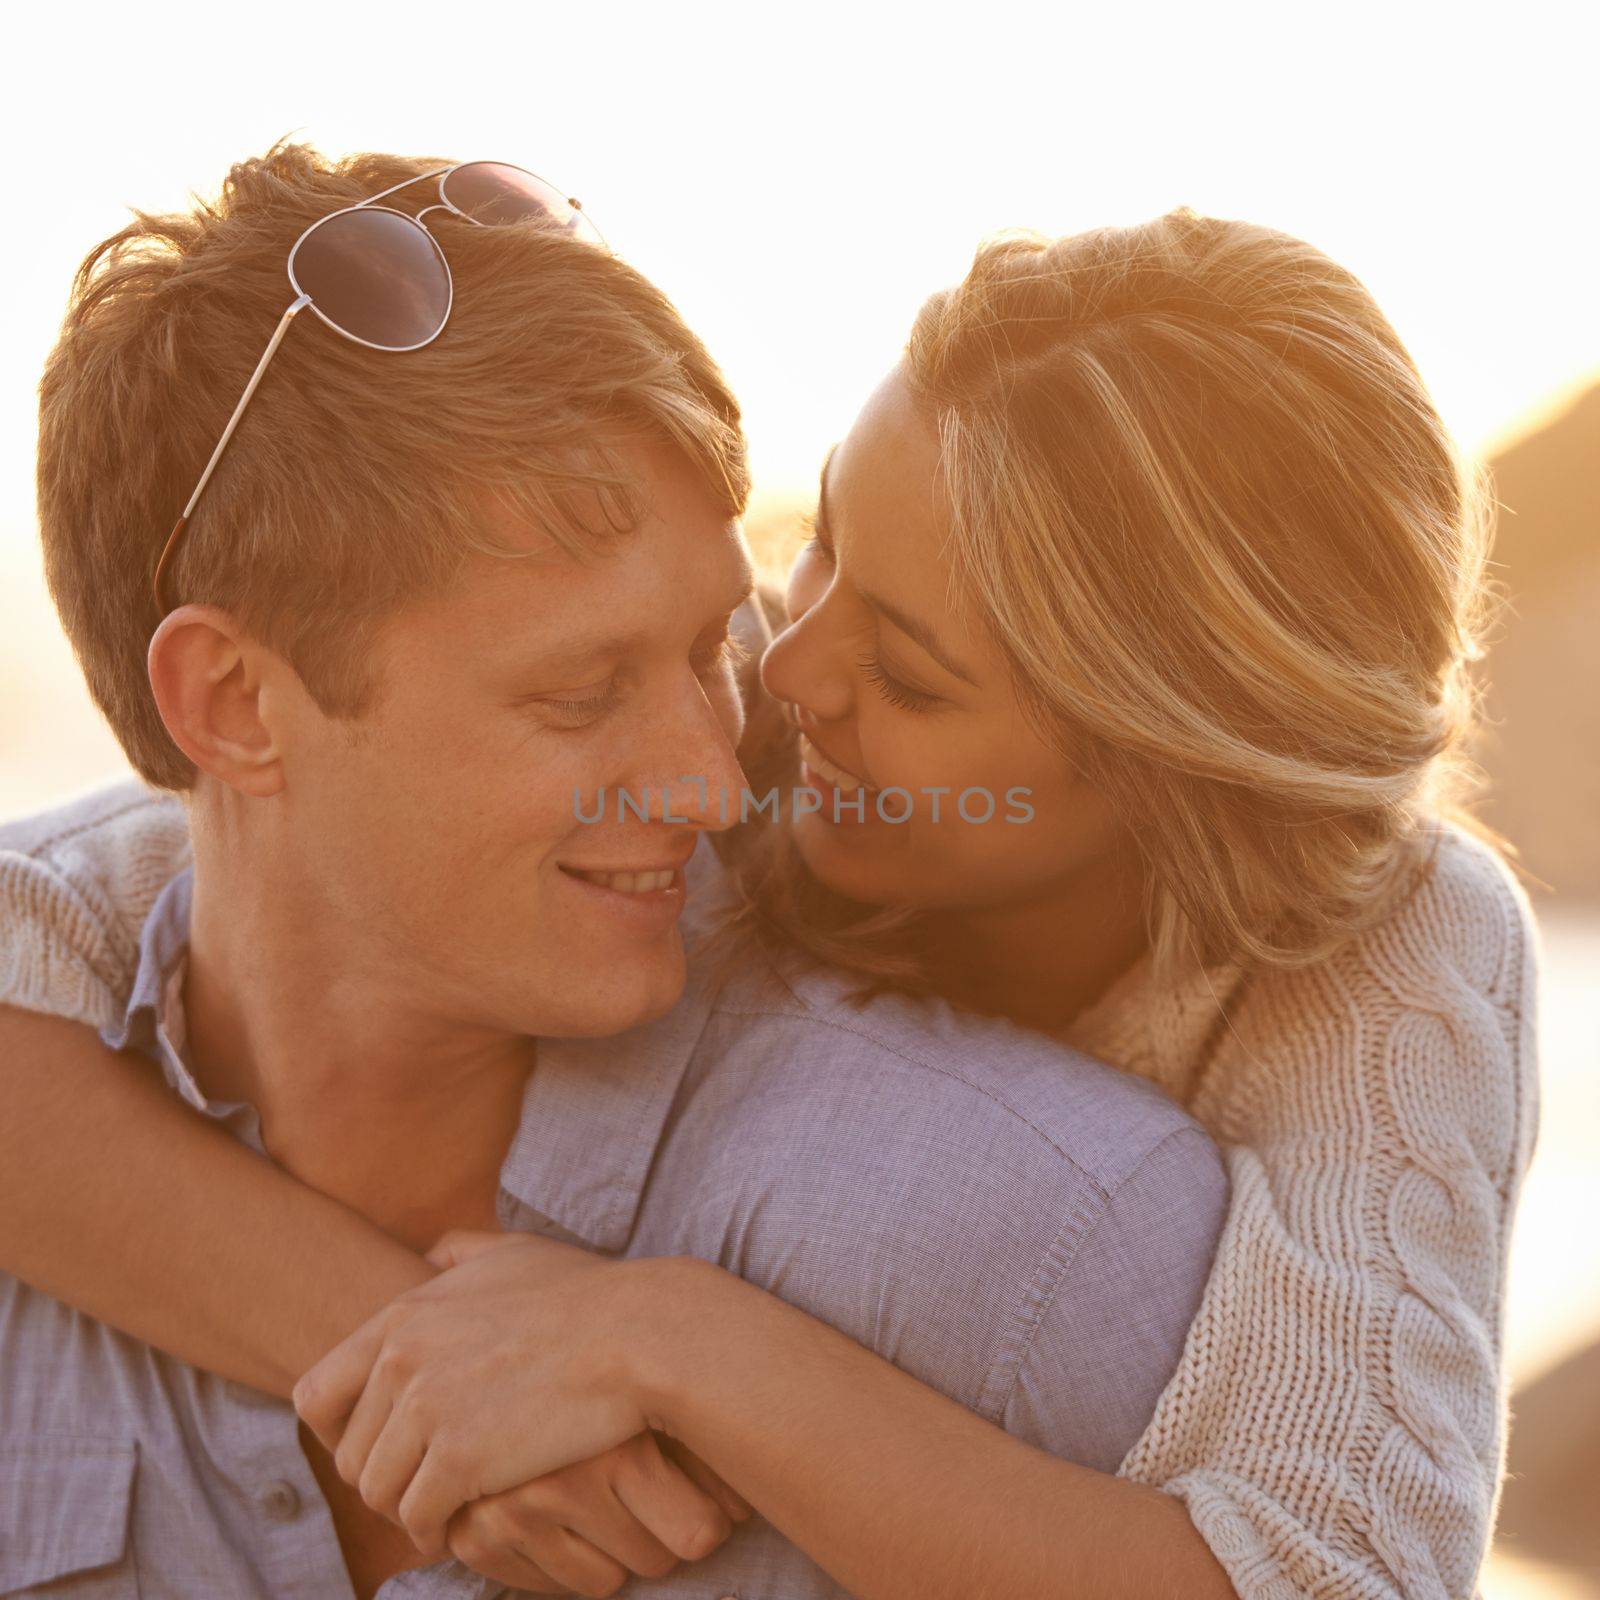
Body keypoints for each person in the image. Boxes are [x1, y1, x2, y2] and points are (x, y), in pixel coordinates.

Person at [0, 161, 1537, 1600]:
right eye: (815, 558)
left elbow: (1347, 1571)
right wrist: (403, 1349)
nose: (776, 687)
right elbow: (231, 858)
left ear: (1163, 773)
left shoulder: (1379, 955)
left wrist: (673, 1345)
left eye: (919, 677)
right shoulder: (754, 704)